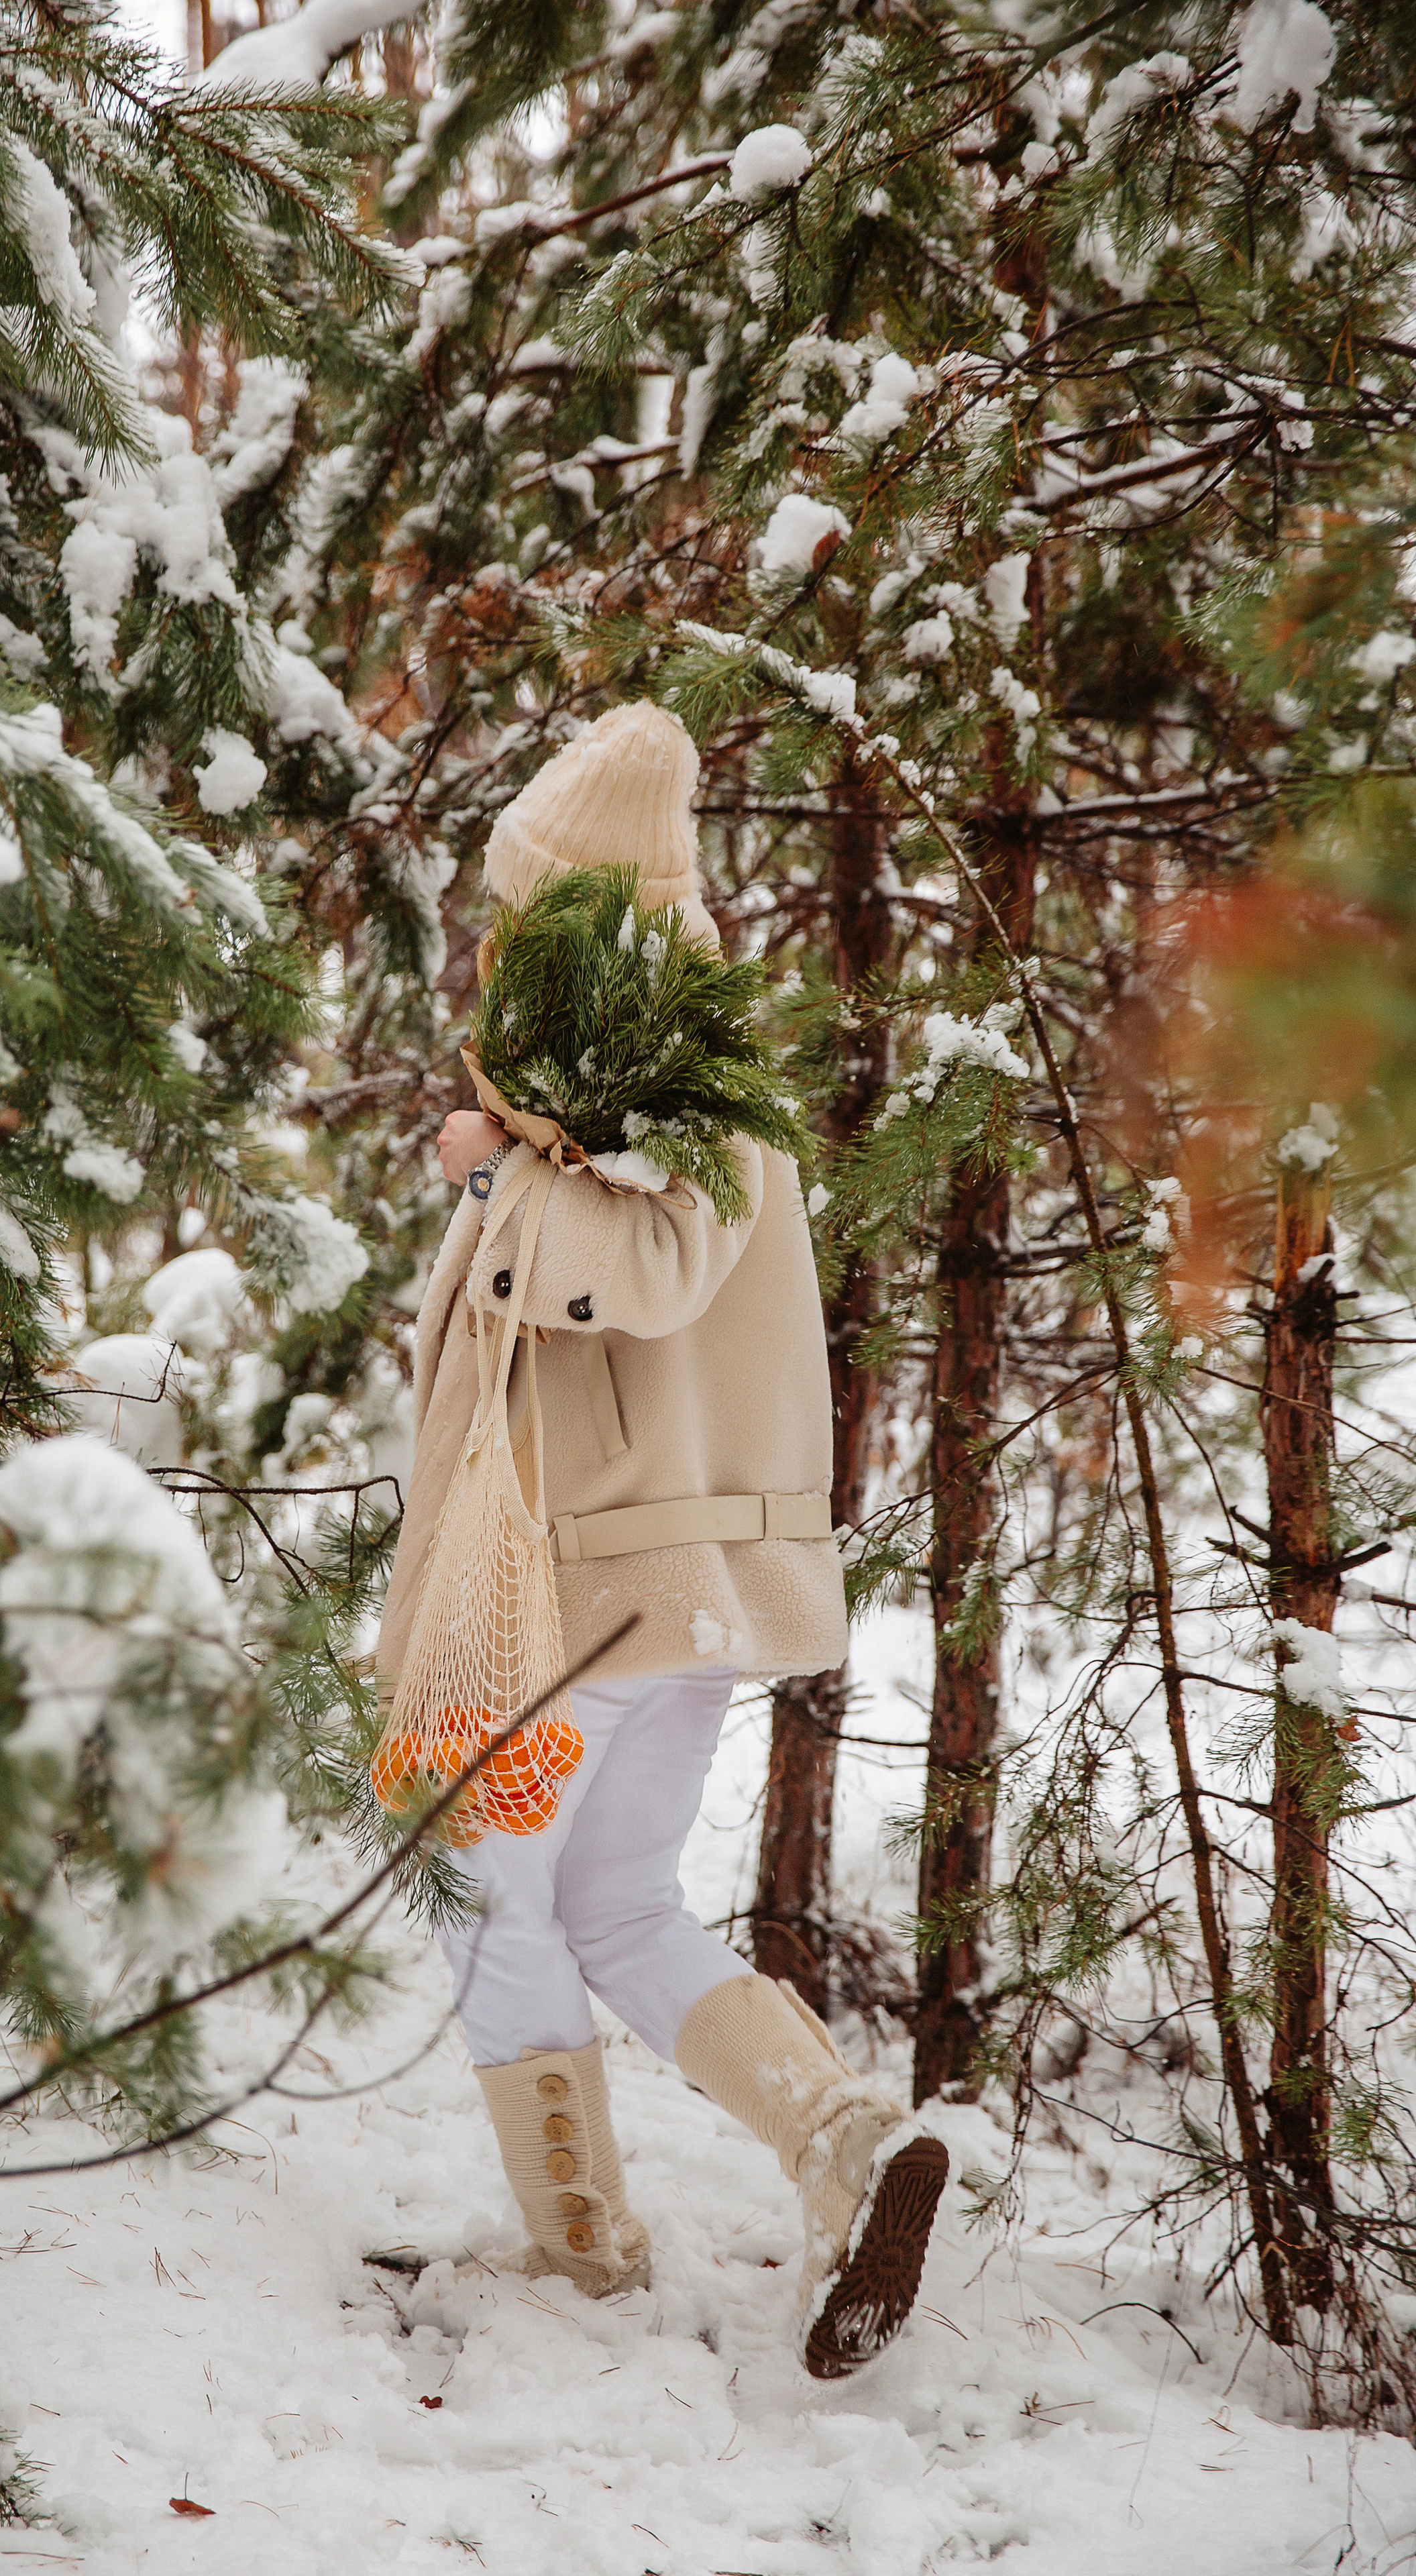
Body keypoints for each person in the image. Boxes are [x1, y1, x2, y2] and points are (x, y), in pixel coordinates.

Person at [375, 700, 946, 2377]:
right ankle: (845, 2143)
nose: (494, 937)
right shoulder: (648, 1060)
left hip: (596, 1588)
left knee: (480, 1890)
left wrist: (494, 1181)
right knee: (611, 1895)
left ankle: (583, 2256)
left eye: (519, 900)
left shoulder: (665, 1062)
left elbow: (639, 1270)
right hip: (672, 1590)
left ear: (580, 905)